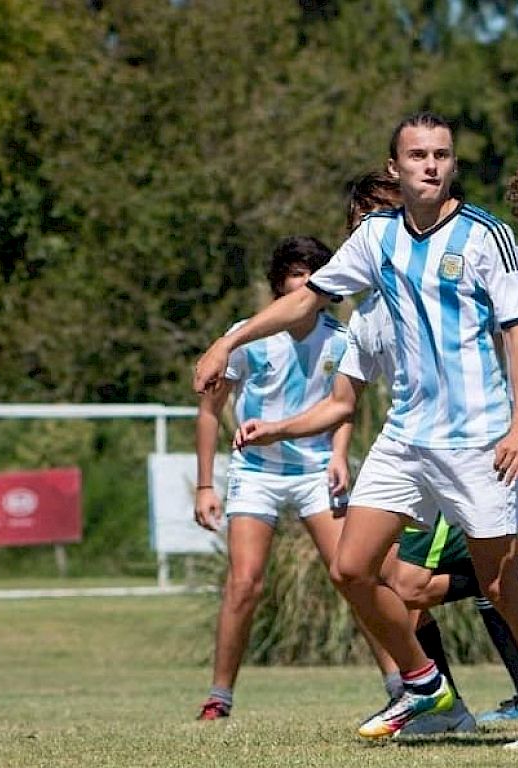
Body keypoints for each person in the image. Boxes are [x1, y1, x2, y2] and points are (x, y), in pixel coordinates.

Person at [194, 112, 518, 750]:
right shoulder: (376, 236)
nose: (430, 165)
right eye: (417, 155)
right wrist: (230, 339)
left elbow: (517, 334)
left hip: (477, 438)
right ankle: (424, 684)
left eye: (441, 154)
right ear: (395, 168)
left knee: (501, 583)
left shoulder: (485, 234)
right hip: (406, 437)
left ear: (452, 165)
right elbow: (308, 299)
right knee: (351, 568)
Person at [192, 235, 358, 721]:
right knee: (244, 582)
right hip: (257, 472)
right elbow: (209, 409)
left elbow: (345, 407)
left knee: (354, 577)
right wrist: (206, 484)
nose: (304, 286)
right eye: (295, 277)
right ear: (279, 285)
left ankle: (404, 686)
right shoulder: (247, 337)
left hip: (314, 471)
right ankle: (219, 698)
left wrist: (340, 456)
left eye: (313, 277)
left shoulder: (340, 340)